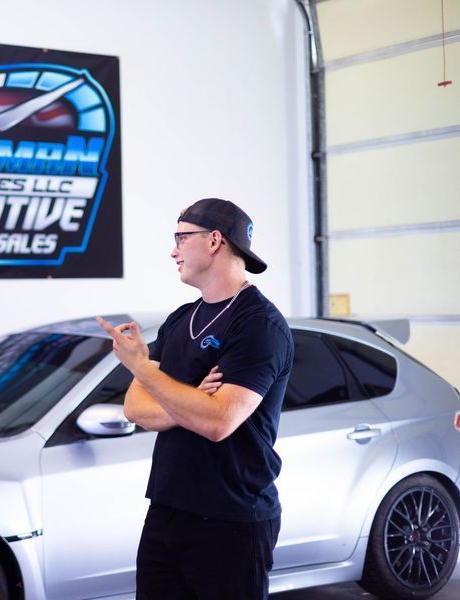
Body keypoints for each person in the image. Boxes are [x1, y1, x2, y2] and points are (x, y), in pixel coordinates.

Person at [97, 197, 293, 600]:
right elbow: (136, 409)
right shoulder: (180, 319)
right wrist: (189, 401)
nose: (173, 250)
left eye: (181, 238)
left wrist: (146, 370)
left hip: (232, 518)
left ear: (215, 241)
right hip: (168, 508)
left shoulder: (260, 326)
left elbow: (218, 423)